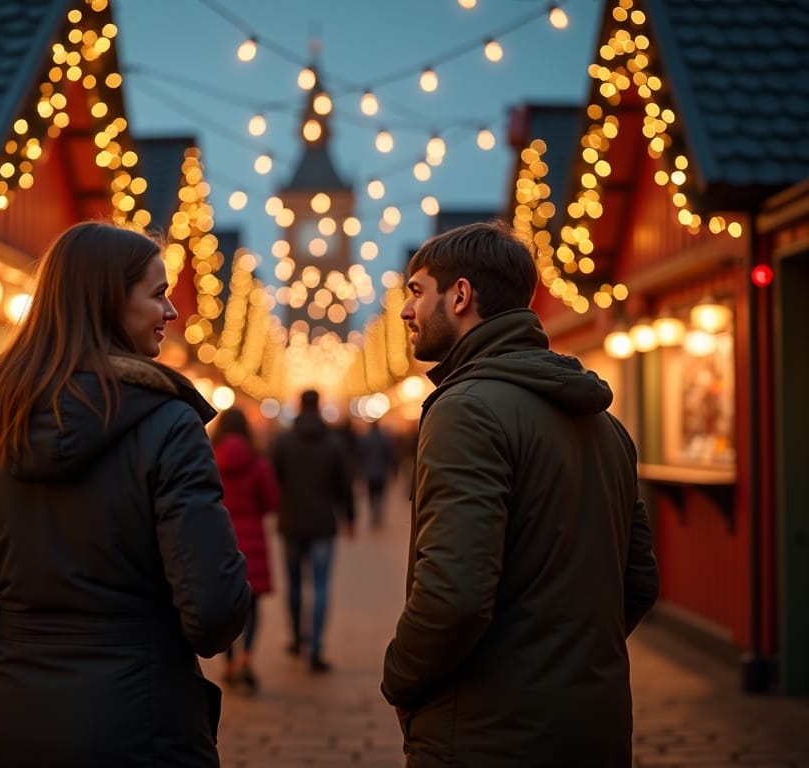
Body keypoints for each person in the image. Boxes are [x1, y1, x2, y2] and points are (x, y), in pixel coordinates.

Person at [0, 221, 250, 768]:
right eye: (158, 294)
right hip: (144, 725)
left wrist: (27, 657)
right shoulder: (170, 425)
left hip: (16, 725)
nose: (172, 313)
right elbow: (214, 611)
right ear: (107, 303)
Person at [381, 220, 659, 767]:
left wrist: (400, 678)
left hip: (487, 732)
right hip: (595, 725)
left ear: (460, 295)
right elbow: (641, 578)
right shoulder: (605, 423)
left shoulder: (465, 411)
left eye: (416, 292)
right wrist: (567, 660)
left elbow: (454, 596)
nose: (406, 312)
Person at [271, 389, 354, 673]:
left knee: (294, 584)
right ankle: (316, 648)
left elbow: (274, 479)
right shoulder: (333, 442)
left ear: (299, 406)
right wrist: (350, 517)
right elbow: (345, 484)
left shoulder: (283, 441)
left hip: (291, 521)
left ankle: (296, 638)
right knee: (320, 586)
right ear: (319, 407)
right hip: (322, 522)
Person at [210, 407, 280, 691]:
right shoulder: (258, 462)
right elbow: (272, 500)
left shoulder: (210, 458)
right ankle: (247, 660)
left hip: (220, 538)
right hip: (253, 541)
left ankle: (227, 663)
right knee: (252, 605)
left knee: (225, 604)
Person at [358, 420, 396, 528]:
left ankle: (373, 512)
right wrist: (394, 469)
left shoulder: (365, 439)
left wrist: (360, 471)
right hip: (382, 471)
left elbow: (360, 455)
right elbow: (390, 455)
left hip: (369, 471)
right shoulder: (385, 439)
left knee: (371, 493)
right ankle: (378, 513)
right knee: (380, 494)